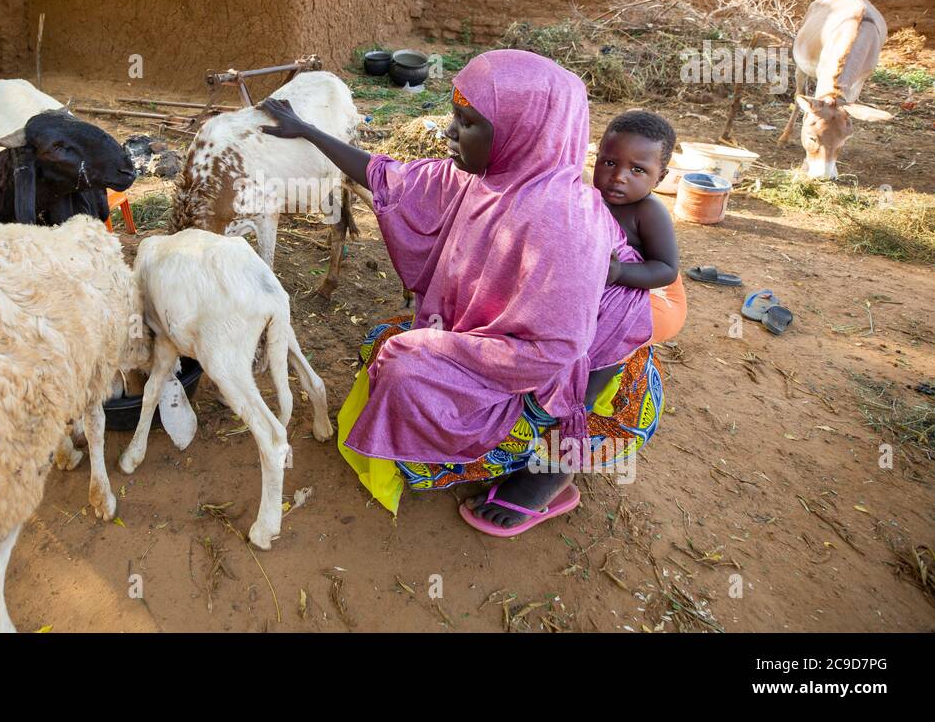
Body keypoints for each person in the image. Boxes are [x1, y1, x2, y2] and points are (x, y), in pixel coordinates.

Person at [260, 50, 661, 535]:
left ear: (524, 129)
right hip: (506, 347)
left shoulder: (565, 224)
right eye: (455, 116)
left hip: (564, 374)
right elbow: (390, 178)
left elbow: (554, 349)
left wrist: (433, 348)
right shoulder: (492, 177)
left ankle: (546, 474)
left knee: (404, 367)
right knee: (384, 346)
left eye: (467, 122)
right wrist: (308, 130)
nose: (450, 132)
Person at [592, 110, 687, 346]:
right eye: (610, 163)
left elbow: (666, 269)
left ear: (660, 178)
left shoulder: (648, 211)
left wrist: (620, 272)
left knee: (612, 328)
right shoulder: (590, 199)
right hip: (616, 289)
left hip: (657, 298)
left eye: (637, 170)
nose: (619, 177)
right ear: (596, 158)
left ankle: (595, 381)